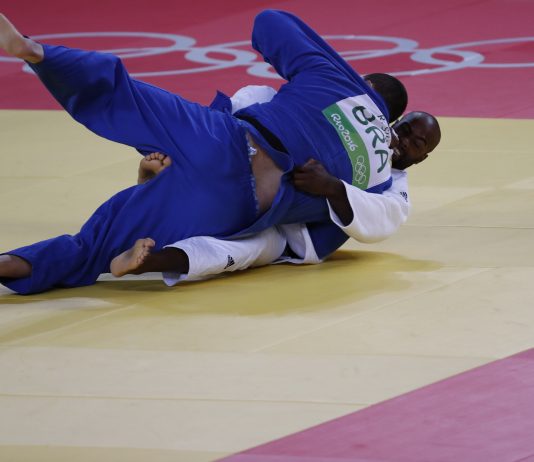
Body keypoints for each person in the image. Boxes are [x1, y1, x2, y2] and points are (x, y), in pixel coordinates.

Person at [0, 10, 407, 294]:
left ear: (364, 80)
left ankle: (34, 51)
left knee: (127, 96)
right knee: (92, 250)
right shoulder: (381, 180)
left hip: (224, 143)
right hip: (237, 207)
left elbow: (270, 22)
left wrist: (328, 63)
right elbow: (329, 235)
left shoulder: (339, 80)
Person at [109, 106, 441, 283]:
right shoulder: (361, 138)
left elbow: (383, 220)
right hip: (267, 188)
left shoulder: (396, 189)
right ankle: (155, 188)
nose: (403, 140)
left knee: (239, 253)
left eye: (416, 142)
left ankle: (150, 261)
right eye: (403, 129)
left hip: (290, 236)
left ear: (423, 157)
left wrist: (332, 187)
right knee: (208, 196)